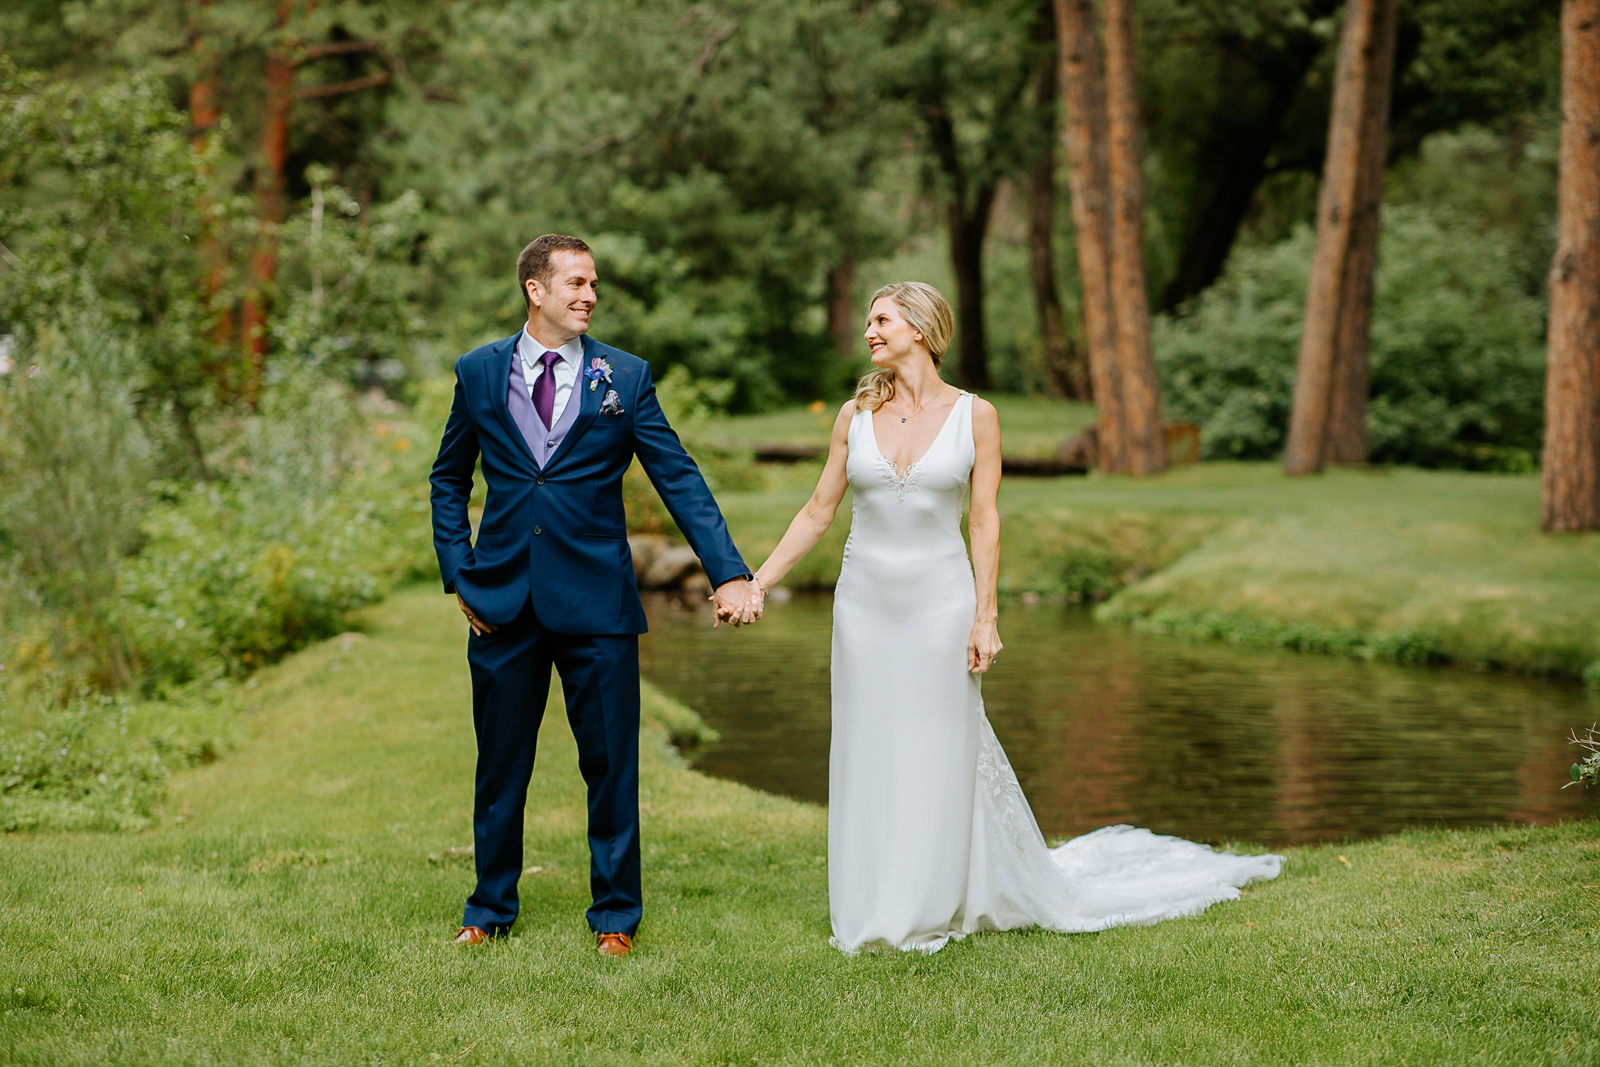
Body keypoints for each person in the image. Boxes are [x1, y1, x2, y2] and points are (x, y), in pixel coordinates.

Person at [751, 281, 1282, 953]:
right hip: (864, 606)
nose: (869, 332)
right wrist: (758, 581)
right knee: (869, 748)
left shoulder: (976, 416)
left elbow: (984, 519)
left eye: (882, 320)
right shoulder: (854, 415)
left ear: (921, 329)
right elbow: (817, 512)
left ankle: (929, 902)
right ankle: (869, 904)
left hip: (940, 603)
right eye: (869, 321)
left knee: (938, 748)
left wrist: (986, 616)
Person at [428, 234, 762, 958]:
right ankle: (489, 907)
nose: (589, 295)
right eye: (576, 283)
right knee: (500, 765)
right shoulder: (479, 371)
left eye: (594, 284)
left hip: (598, 602)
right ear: (535, 289)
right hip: (502, 602)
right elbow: (449, 478)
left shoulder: (626, 377)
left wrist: (728, 571)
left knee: (610, 765)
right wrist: (461, 571)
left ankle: (615, 916)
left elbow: (678, 476)